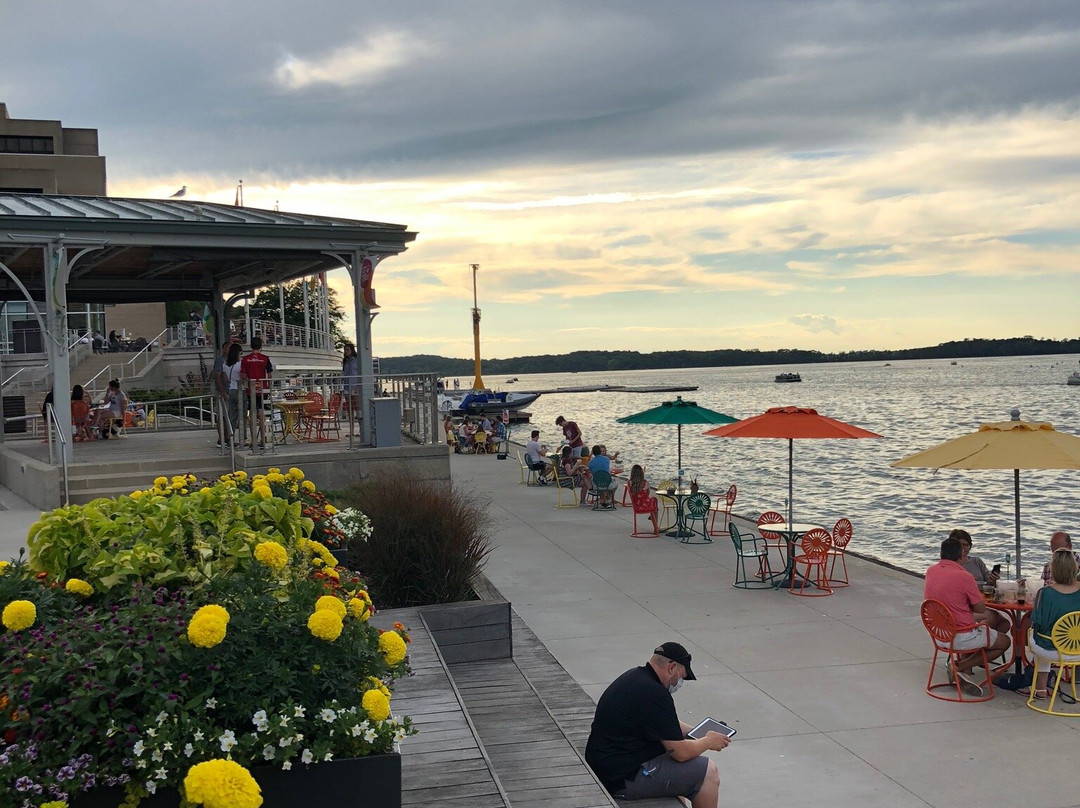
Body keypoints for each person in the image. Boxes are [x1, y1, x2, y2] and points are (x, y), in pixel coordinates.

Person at [585, 642, 726, 806]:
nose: (680, 682)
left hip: (607, 766)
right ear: (672, 668)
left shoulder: (636, 678)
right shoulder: (655, 693)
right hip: (619, 779)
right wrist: (708, 741)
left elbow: (664, 723)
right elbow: (681, 753)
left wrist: (696, 732)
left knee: (683, 776)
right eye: (681, 676)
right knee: (708, 772)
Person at [924, 534, 1011, 697]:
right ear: (960, 555)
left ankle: (961, 668)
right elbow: (980, 608)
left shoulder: (931, 571)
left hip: (939, 634)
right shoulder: (964, 576)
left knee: (994, 624)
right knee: (1005, 641)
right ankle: (961, 667)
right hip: (961, 635)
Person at [1022, 548, 1080, 700]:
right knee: (1048, 638)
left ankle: (1039, 688)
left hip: (1053, 650)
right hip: (1077, 649)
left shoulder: (1045, 593)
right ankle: (1040, 688)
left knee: (1039, 637)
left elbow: (1038, 624)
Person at [951, 529, 1010, 635]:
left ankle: (985, 649)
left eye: (966, 545)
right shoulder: (953, 565)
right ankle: (974, 645)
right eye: (961, 545)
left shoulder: (976, 561)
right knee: (991, 617)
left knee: (1005, 623)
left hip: (982, 601)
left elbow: (989, 584)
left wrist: (993, 579)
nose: (964, 548)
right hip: (967, 606)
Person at [239, 336, 273, 447]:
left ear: (251, 345)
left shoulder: (245, 359)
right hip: (263, 389)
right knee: (261, 414)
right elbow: (270, 374)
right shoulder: (265, 358)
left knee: (252, 415)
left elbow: (243, 375)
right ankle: (263, 440)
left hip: (251, 389)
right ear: (261, 346)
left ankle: (253, 441)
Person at [629, 465, 660, 534]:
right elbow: (647, 494)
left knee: (653, 503)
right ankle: (656, 527)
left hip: (636, 506)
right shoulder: (645, 483)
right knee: (654, 500)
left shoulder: (630, 483)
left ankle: (652, 517)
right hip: (646, 506)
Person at [213, 341, 231, 447]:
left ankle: (228, 437)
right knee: (221, 415)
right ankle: (221, 438)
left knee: (229, 416)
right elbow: (217, 376)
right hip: (223, 392)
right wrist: (222, 391)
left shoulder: (234, 361)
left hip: (232, 390)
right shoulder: (220, 361)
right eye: (228, 348)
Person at [224, 342, 243, 440]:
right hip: (240, 390)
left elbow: (226, 379)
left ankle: (231, 438)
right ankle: (242, 438)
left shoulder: (225, 364)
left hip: (231, 390)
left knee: (232, 416)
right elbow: (243, 377)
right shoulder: (240, 364)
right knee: (242, 415)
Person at [341, 343, 360, 420]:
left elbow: (359, 372)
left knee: (357, 406)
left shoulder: (356, 360)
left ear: (352, 350)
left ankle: (360, 426)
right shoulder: (345, 361)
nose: (346, 351)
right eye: (345, 350)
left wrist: (358, 386)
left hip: (355, 385)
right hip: (347, 385)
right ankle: (351, 429)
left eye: (347, 350)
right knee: (349, 408)